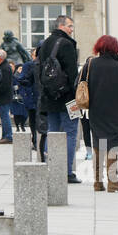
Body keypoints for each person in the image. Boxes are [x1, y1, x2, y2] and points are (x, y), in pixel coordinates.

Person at [81, 36, 118, 191]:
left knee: (98, 143)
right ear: (115, 48)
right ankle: (113, 181)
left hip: (95, 111)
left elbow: (78, 85)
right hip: (114, 112)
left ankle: (98, 182)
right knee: (112, 144)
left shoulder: (90, 65)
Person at [37, 15, 81, 183]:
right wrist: (77, 95)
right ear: (61, 26)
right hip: (68, 97)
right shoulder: (67, 44)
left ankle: (51, 168)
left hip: (49, 96)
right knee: (70, 133)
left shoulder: (46, 43)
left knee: (52, 132)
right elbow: (72, 74)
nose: (72, 29)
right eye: (70, 26)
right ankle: (67, 171)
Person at [0, 48, 15, 145]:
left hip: (4, 96)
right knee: (3, 116)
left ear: (0, 58)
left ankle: (8, 136)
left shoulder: (5, 68)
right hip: (4, 96)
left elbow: (4, 84)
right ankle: (5, 136)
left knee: (5, 116)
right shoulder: (2, 66)